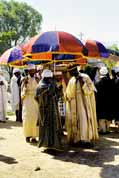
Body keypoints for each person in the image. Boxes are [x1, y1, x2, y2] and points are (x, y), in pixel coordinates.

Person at [65, 64, 99, 147]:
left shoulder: (85, 77)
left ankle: (86, 140)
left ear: (75, 70)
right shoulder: (72, 80)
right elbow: (68, 93)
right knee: (75, 121)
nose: (70, 73)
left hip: (84, 104)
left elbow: (91, 90)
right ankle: (77, 139)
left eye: (70, 72)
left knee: (84, 120)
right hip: (74, 104)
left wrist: (82, 83)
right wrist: (67, 97)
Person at [35, 69, 63, 150]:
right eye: (50, 78)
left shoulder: (49, 85)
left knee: (53, 126)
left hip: (52, 109)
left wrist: (59, 90)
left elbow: (56, 95)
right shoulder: (41, 86)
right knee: (46, 127)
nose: (51, 79)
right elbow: (44, 96)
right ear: (46, 78)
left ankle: (52, 143)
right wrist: (52, 87)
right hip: (45, 110)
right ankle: (46, 143)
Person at [21, 64, 38, 143]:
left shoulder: (37, 78)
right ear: (28, 71)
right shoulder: (24, 79)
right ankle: (27, 135)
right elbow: (22, 93)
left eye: (33, 70)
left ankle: (34, 136)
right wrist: (25, 84)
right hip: (27, 100)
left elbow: (39, 89)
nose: (32, 72)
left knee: (35, 118)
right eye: (30, 71)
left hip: (35, 100)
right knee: (27, 118)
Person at [95, 66, 112, 133]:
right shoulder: (111, 82)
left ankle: (103, 129)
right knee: (108, 115)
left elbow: (96, 95)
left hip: (100, 102)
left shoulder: (97, 84)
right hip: (109, 102)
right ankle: (107, 129)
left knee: (102, 116)